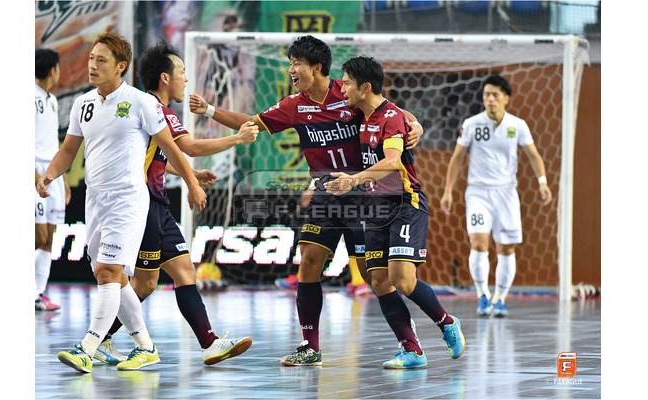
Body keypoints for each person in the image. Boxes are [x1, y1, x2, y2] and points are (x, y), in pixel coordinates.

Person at [189, 35, 423, 366]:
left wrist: (417, 124)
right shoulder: (294, 105)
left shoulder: (349, 93)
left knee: (376, 278)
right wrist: (210, 110)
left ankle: (410, 345)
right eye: (290, 63)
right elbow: (252, 123)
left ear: (316, 67)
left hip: (362, 195)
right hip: (326, 193)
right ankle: (309, 346)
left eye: (296, 64)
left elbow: (391, 111)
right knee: (309, 260)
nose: (291, 70)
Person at [37, 32, 206, 373]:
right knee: (113, 276)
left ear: (121, 66)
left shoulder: (141, 103)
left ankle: (88, 347)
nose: (92, 65)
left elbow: (172, 148)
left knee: (108, 273)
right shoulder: (83, 104)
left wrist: (191, 183)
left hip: (128, 199)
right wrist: (49, 175)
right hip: (95, 199)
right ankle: (145, 346)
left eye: (101, 60)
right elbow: (68, 150)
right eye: (91, 58)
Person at [95, 39, 256, 366]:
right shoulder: (154, 108)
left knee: (184, 271)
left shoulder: (148, 108)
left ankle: (210, 343)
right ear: (165, 78)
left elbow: (156, 157)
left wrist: (190, 173)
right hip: (143, 206)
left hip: (159, 204)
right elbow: (190, 147)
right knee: (145, 283)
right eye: (182, 72)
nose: (186, 79)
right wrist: (237, 138)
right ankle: (99, 338)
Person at [326, 56, 466, 368]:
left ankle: (447, 323)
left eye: (347, 83)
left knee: (402, 279)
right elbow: (405, 114)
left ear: (365, 87)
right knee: (378, 280)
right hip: (375, 207)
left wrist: (353, 180)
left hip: (405, 203)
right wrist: (416, 123)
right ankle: (412, 350)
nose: (343, 88)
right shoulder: (360, 111)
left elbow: (391, 162)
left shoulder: (388, 118)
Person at [439, 74, 552, 317]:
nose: (489, 99)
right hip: (478, 193)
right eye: (486, 95)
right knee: (479, 243)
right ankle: (483, 296)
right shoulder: (472, 124)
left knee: (506, 248)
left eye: (495, 95)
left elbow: (534, 155)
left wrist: (543, 182)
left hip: (507, 194)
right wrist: (448, 191)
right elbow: (457, 158)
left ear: (506, 99)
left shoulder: (517, 125)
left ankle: (499, 299)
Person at [35, 48, 70, 311]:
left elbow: (54, 142)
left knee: (49, 239)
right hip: (37, 172)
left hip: (52, 172)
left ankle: (38, 294)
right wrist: (37, 177)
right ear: (52, 70)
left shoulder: (53, 100)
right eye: (58, 68)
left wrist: (63, 177)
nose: (60, 72)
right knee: (38, 237)